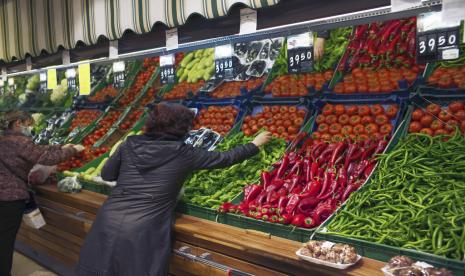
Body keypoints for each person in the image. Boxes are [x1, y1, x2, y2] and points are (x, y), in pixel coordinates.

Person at [76, 103, 272, 276]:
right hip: (144, 228)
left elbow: (107, 175)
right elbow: (225, 158)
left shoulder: (129, 145)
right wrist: (254, 144)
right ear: (182, 127)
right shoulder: (183, 153)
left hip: (108, 219)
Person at [0, 110, 83, 276]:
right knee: (5, 242)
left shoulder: (4, 140)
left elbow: (37, 149)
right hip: (9, 198)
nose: (29, 127)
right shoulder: (19, 141)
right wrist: (72, 150)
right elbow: (45, 158)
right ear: (18, 123)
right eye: (28, 124)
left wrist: (59, 147)